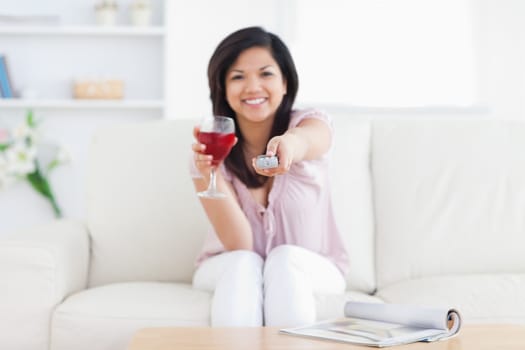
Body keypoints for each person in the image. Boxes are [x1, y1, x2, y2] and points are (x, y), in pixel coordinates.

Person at [190, 26, 348, 327]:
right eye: (238, 76)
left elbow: (311, 139)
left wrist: (289, 144)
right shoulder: (207, 152)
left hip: (313, 268)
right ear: (223, 88)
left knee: (285, 258)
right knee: (244, 262)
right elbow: (240, 244)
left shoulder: (310, 123)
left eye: (266, 74)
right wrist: (209, 173)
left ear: (285, 82)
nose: (252, 86)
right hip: (229, 265)